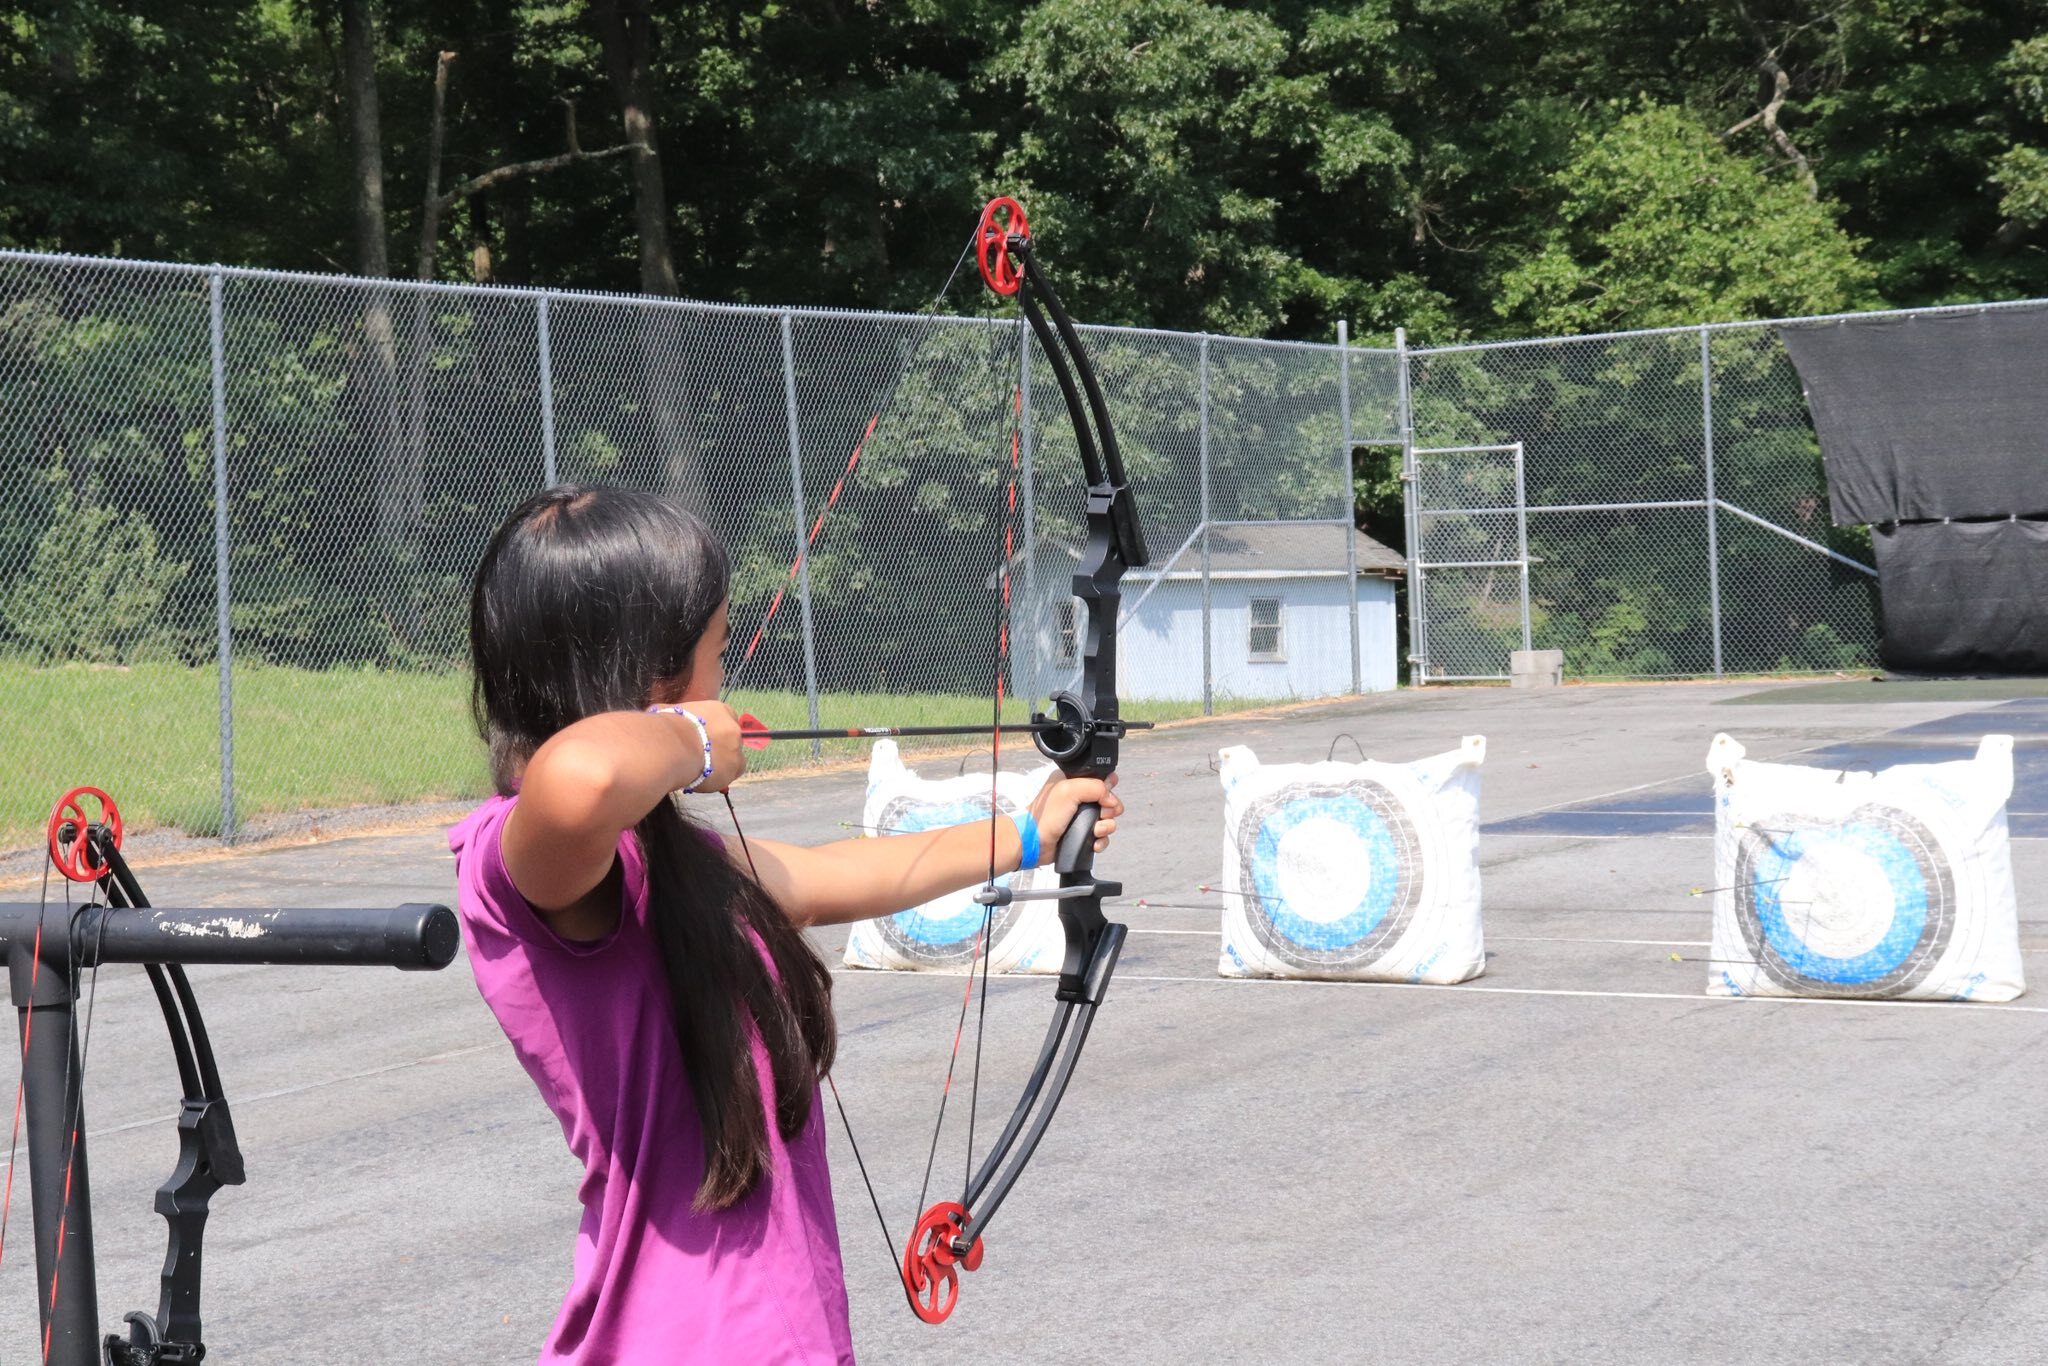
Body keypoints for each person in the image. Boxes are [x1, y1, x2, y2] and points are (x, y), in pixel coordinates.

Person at [448, 484, 1123, 1364]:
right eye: (717, 653)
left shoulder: (670, 866)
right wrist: (691, 738)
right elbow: (578, 779)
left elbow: (825, 876)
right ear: (648, 677)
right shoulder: (527, 862)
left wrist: (1028, 832)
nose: (726, 682)